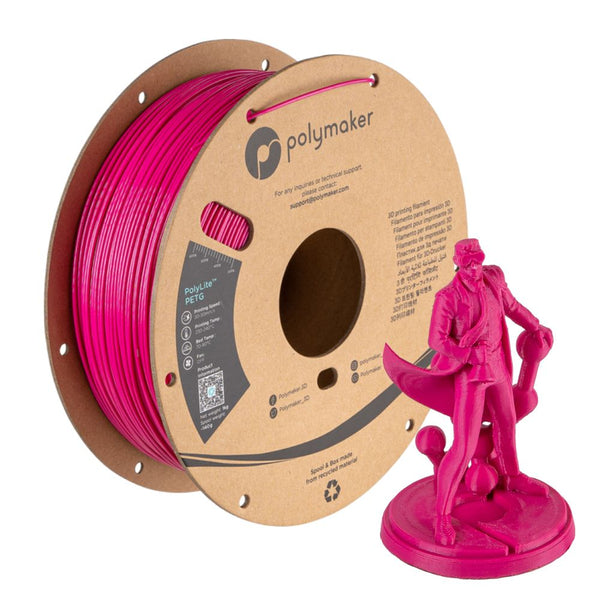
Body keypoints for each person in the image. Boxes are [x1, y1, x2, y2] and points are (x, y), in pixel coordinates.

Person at [383, 239, 552, 546]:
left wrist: (535, 326)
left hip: (497, 367)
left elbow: (512, 307)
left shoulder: (493, 280)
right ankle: (443, 517)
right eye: (469, 263)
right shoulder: (448, 297)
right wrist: (468, 354)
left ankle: (512, 476)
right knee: (463, 446)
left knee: (507, 423)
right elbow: (437, 340)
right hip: (470, 375)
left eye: (478, 261)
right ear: (458, 264)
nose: (475, 268)